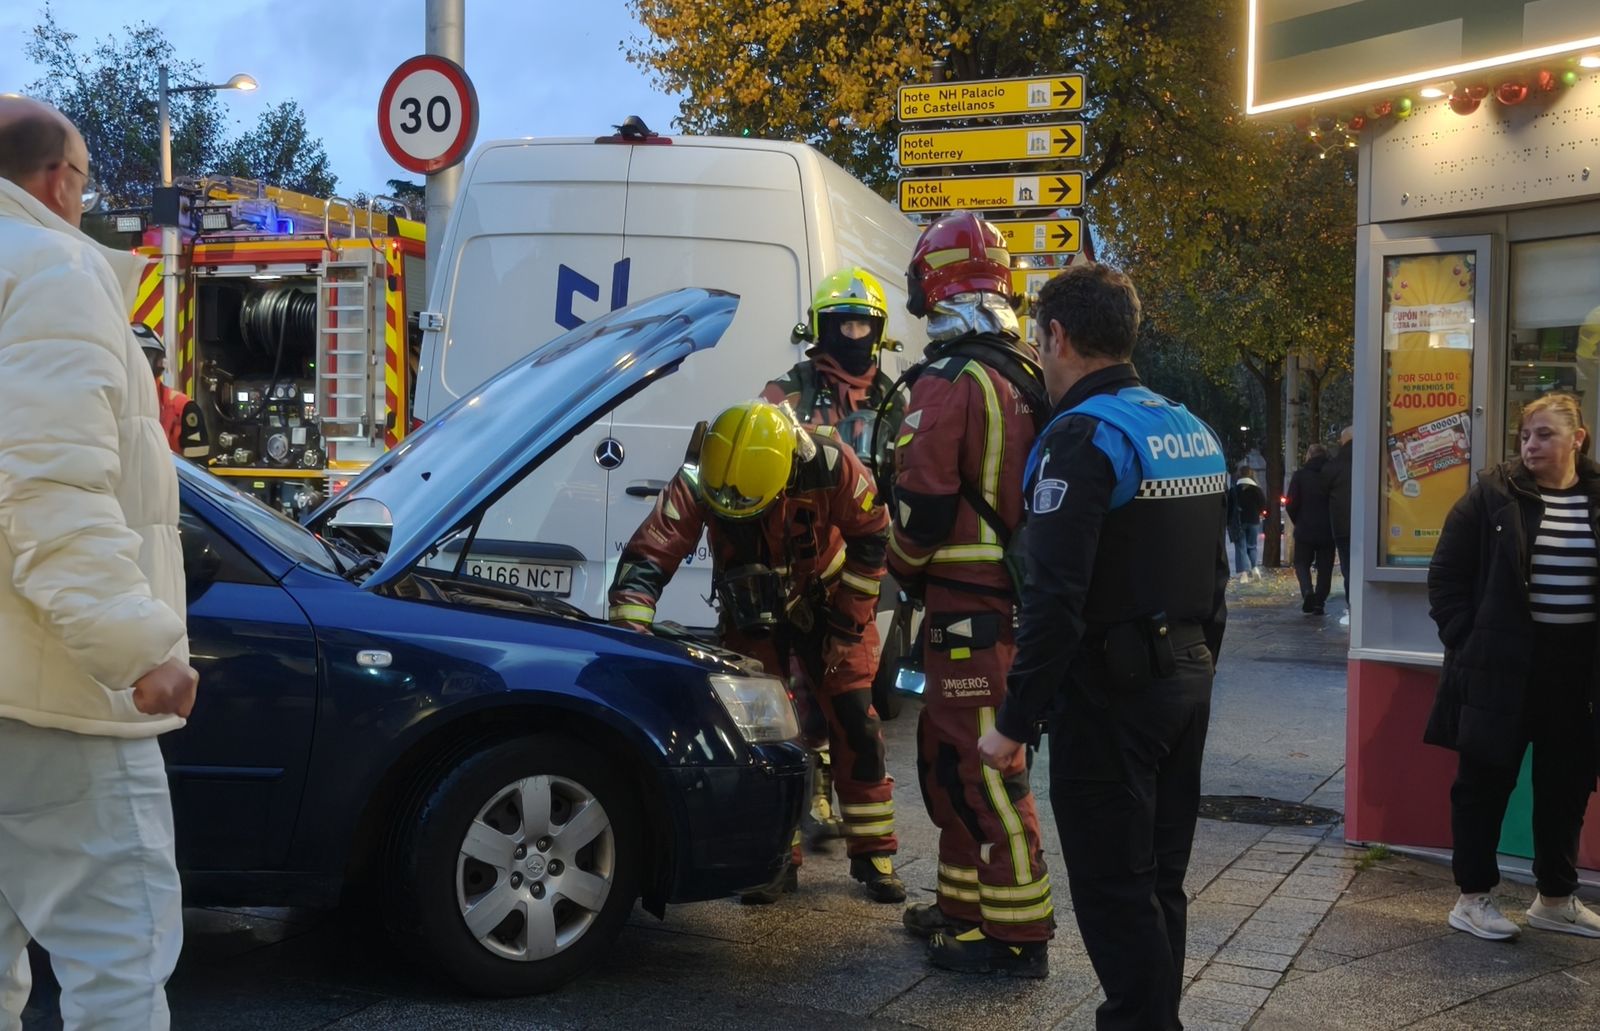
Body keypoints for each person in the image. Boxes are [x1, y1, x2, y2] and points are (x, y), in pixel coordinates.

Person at [977, 262, 1229, 1028]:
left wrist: (1015, 721)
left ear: (1056, 336)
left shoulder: (1082, 436)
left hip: (1110, 698)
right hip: (1186, 680)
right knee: (1161, 882)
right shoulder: (1189, 427)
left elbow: (1054, 598)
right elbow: (1217, 576)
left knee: (1116, 892)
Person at [0, 97, 198, 1030]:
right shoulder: (53, 268)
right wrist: (139, 647)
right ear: (58, 180)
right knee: (118, 967)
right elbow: (47, 489)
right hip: (59, 701)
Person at [607, 401, 904, 903]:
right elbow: (652, 549)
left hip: (829, 603)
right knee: (760, 734)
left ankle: (874, 853)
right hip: (751, 613)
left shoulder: (830, 464)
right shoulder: (706, 470)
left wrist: (848, 625)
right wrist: (629, 634)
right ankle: (775, 860)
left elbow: (873, 538)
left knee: (856, 721)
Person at [888, 211, 1054, 978]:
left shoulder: (948, 382)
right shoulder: (1025, 375)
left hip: (965, 605)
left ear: (936, 285)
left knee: (984, 767)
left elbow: (920, 505)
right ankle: (962, 907)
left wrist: (897, 565)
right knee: (952, 759)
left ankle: (1018, 934)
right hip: (1007, 602)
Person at [1426, 393, 1600, 942]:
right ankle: (1473, 898)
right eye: (1526, 435)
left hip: (1577, 670)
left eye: (1544, 435)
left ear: (1578, 438)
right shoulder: (1491, 497)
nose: (1531, 445)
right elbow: (1446, 577)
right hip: (1502, 667)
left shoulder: (1597, 497)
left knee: (1566, 787)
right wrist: (1469, 642)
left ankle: (1555, 897)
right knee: (1484, 783)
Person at [763, 266, 905, 846]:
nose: (852, 335)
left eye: (862, 324)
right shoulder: (786, 393)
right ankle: (805, 805)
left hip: (866, 563)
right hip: (800, 568)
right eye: (840, 323)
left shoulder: (896, 397)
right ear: (818, 328)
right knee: (795, 698)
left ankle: (869, 844)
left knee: (853, 701)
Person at [133, 323, 210, 460]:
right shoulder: (107, 405)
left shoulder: (182, 408)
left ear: (159, 363)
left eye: (145, 358)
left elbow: (196, 473)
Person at [1286, 443, 1336, 614]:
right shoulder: (1331, 475)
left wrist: (1298, 520)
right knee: (1325, 567)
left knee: (1301, 563)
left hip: (1305, 529)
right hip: (1328, 530)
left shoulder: (1300, 476)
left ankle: (1307, 591)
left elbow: (1291, 503)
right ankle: (1320, 600)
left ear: (1309, 456)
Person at [1325, 426, 1354, 626]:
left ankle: (1352, 605)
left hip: (1342, 526)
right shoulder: (1373, 458)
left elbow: (1322, 491)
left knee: (1348, 569)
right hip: (1371, 528)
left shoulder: (1334, 465)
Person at [1227, 463, 1266, 583]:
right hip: (1254, 521)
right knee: (1252, 546)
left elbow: (1230, 507)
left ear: (1239, 475)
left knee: (1241, 548)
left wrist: (1228, 522)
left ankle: (1244, 574)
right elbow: (1263, 505)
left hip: (1239, 522)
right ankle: (1254, 569)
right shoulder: (1257, 489)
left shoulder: (1234, 490)